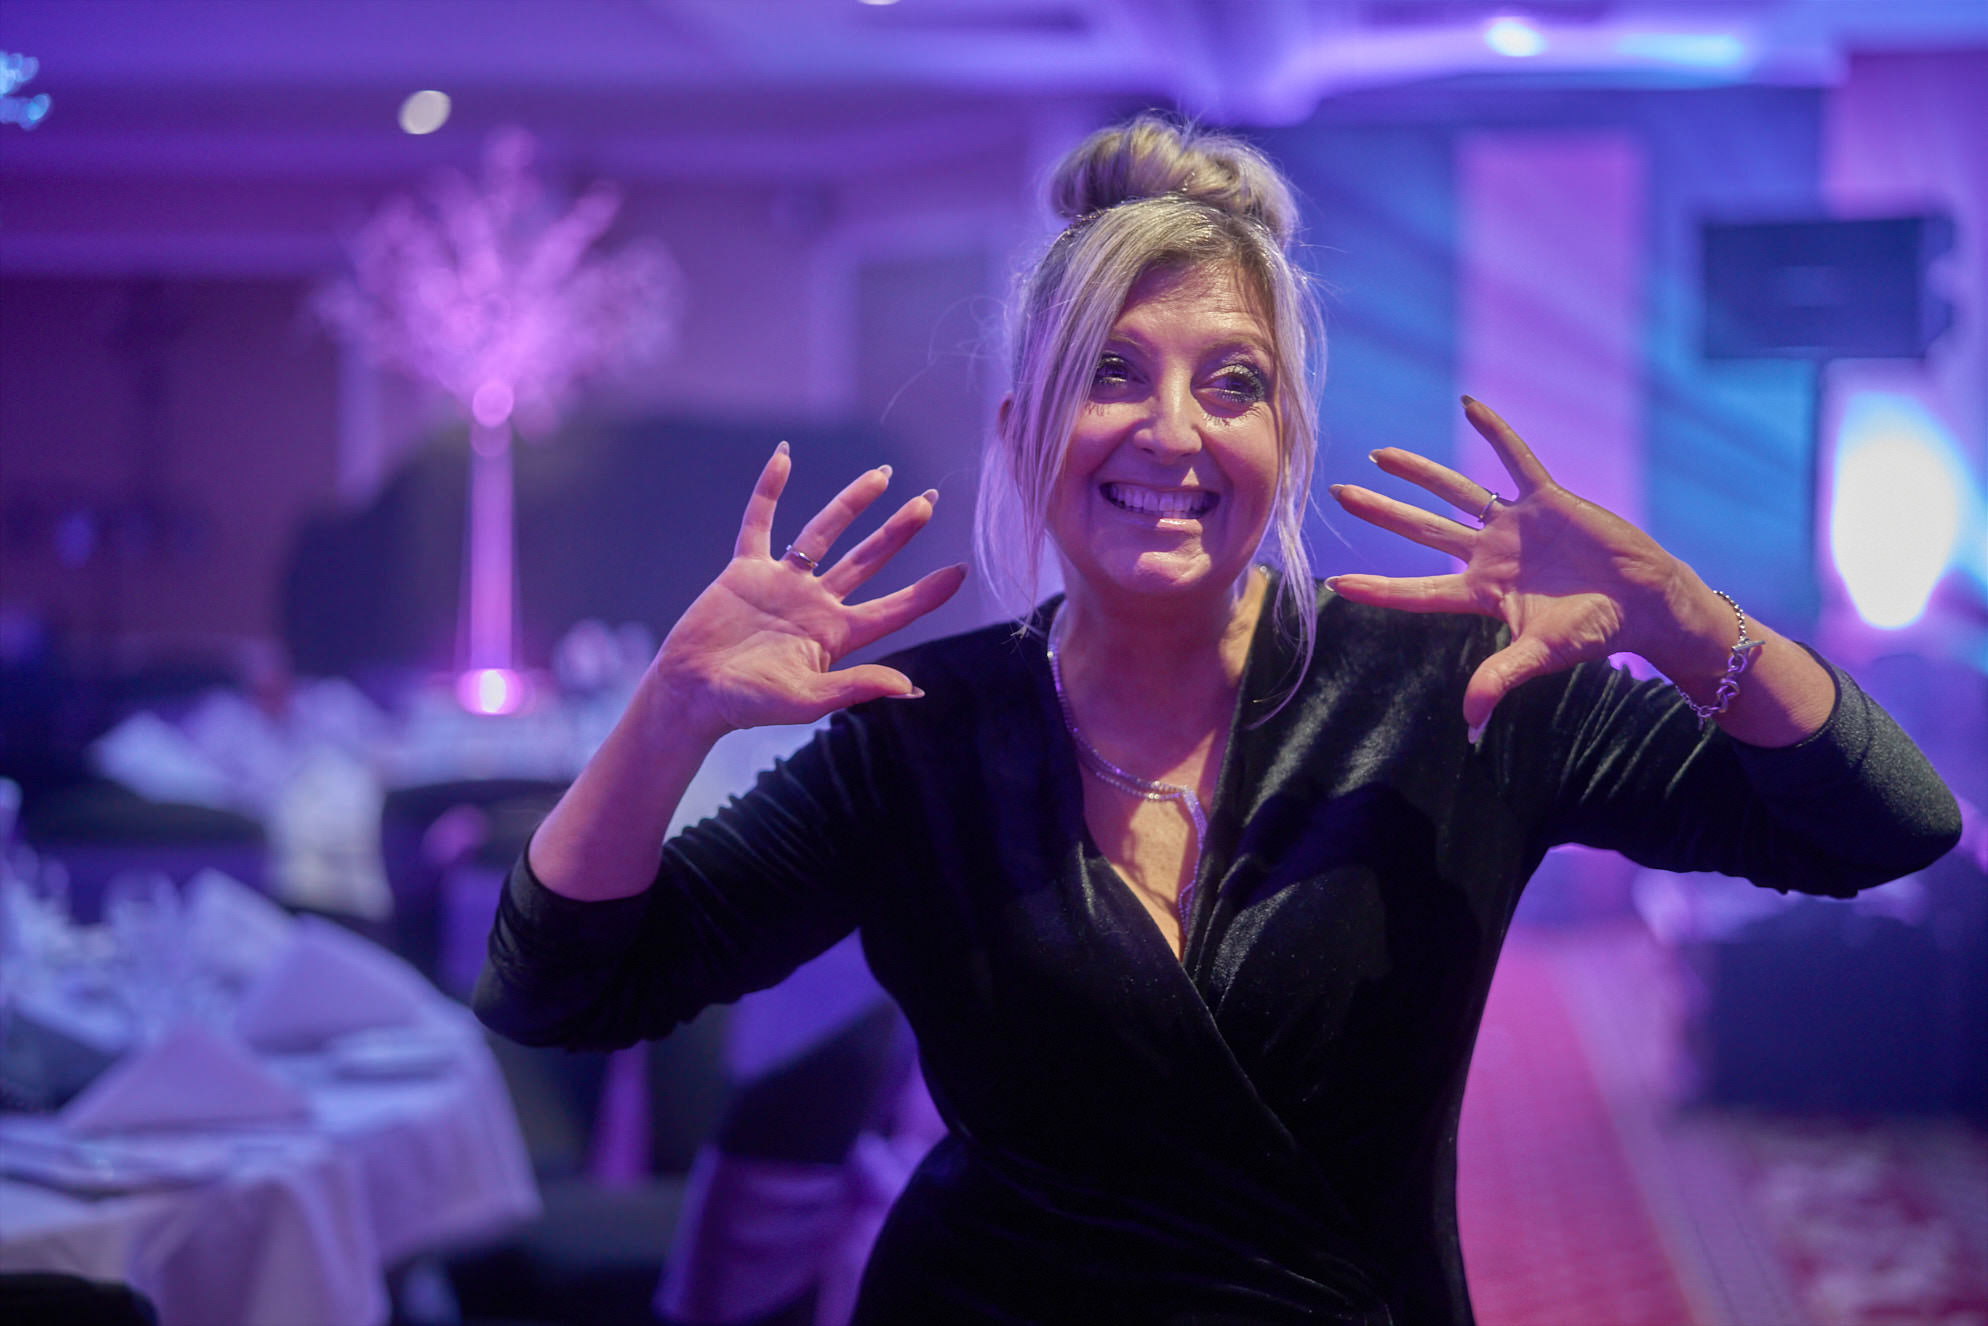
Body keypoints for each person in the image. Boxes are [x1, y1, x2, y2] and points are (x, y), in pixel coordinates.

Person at [476, 114, 1961, 1324]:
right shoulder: (921, 735)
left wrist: (1682, 616)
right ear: (1026, 432)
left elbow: (1885, 824)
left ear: (1284, 436)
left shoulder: (1453, 690)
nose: (1172, 432)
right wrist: (669, 715)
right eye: (1112, 373)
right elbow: (562, 991)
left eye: (1230, 383)